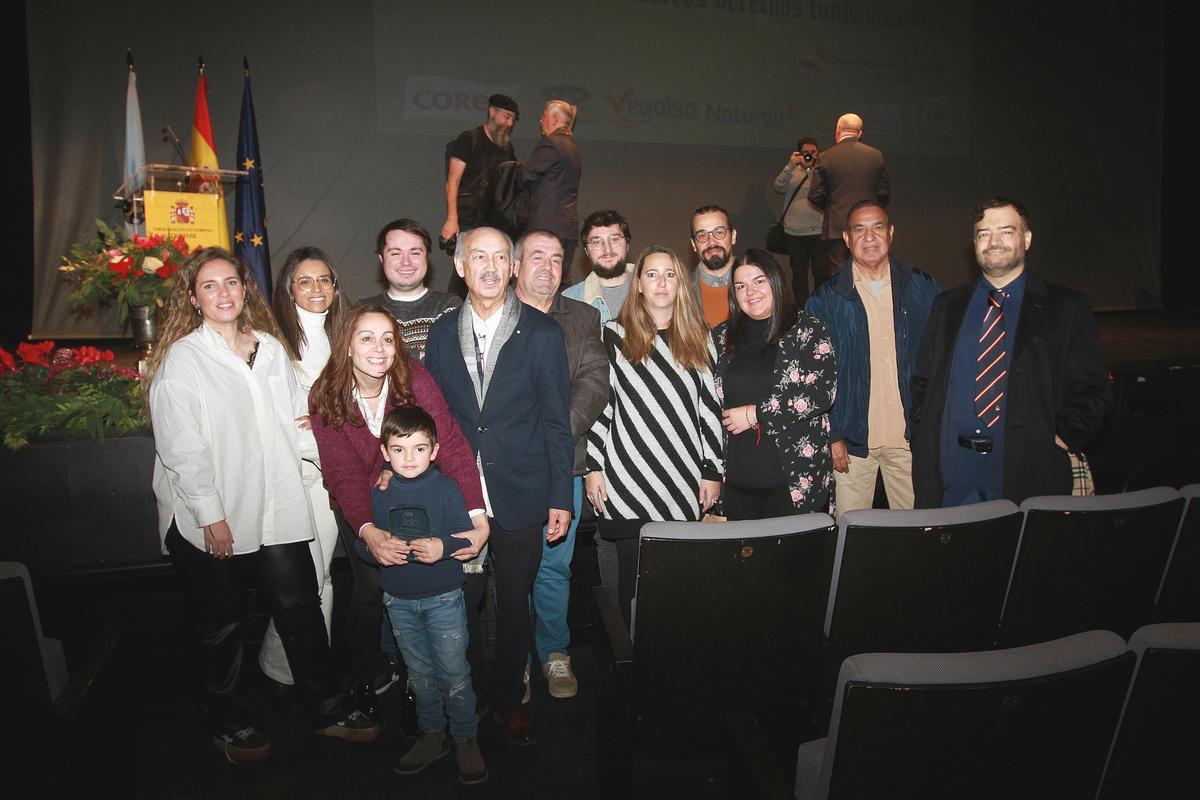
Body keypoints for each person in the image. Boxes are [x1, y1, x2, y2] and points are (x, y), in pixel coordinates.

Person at [147, 247, 377, 763]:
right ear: (193, 297)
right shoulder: (184, 360)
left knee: (302, 609)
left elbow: (300, 428)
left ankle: (328, 708)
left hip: (277, 506)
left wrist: (358, 466)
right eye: (210, 286)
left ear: (245, 290)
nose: (224, 293)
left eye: (231, 282)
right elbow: (181, 447)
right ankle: (227, 723)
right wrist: (211, 516)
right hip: (213, 517)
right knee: (220, 625)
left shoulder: (271, 350)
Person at [424, 226, 574, 746]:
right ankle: (464, 699)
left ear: (513, 268)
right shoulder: (441, 334)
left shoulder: (542, 333)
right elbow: (433, 418)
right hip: (459, 496)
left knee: (515, 605)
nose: (489, 266)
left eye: (499, 257)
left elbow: (558, 421)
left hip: (523, 493)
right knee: (462, 606)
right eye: (477, 256)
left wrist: (560, 497)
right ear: (460, 267)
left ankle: (510, 699)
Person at [309, 305, 488, 720]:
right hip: (361, 503)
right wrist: (368, 528)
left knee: (417, 576)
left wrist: (477, 516)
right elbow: (343, 473)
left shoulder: (414, 379)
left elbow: (454, 446)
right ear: (347, 347)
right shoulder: (326, 394)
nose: (378, 348)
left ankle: (416, 677)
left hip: (414, 493)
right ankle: (364, 679)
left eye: (387, 339)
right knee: (370, 586)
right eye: (366, 338)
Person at [910, 197, 1112, 507]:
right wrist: (926, 431)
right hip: (955, 468)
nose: (993, 242)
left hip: (1027, 468)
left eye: (1006, 231)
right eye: (983, 234)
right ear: (974, 243)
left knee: (1023, 554)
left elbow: (1093, 386)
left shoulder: (1066, 307)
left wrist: (1065, 436)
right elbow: (923, 378)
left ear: (1027, 239)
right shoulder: (947, 306)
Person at [585, 245, 724, 628]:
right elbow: (602, 406)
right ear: (639, 285)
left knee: (679, 580)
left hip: (682, 480)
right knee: (633, 583)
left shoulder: (701, 337)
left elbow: (710, 410)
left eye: (670, 274)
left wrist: (712, 469)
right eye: (652, 274)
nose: (661, 282)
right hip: (628, 479)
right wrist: (593, 467)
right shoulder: (613, 334)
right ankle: (635, 667)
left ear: (681, 283)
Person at [359, 405, 487, 785]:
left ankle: (465, 737)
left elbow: (468, 537)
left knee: (454, 673)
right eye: (399, 450)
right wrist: (377, 549)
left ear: (434, 451)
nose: (409, 458)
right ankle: (433, 735)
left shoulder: (447, 488)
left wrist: (444, 548)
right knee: (419, 675)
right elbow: (365, 542)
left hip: (443, 598)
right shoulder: (379, 492)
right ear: (385, 452)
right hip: (398, 602)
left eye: (418, 449)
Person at [512, 229, 609, 700]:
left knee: (555, 565)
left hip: (563, 464)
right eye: (537, 257)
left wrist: (547, 441)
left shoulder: (585, 317)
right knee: (507, 568)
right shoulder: (490, 315)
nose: (547, 267)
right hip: (503, 470)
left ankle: (553, 653)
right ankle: (514, 662)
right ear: (515, 265)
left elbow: (593, 384)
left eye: (555, 259)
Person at [805, 201, 938, 517]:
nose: (869, 236)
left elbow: (938, 362)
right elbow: (814, 374)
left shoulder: (922, 287)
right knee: (851, 537)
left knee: (917, 533)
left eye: (877, 226)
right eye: (859, 229)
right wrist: (832, 433)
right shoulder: (825, 299)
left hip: (909, 440)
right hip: (851, 445)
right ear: (847, 239)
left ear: (890, 232)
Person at [257, 247, 348, 695]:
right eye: (305, 280)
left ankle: (313, 668)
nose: (316, 289)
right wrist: (319, 429)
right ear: (288, 287)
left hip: (333, 476)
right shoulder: (271, 344)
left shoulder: (346, 337)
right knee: (305, 582)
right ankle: (284, 671)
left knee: (325, 577)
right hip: (294, 478)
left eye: (324, 280)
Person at [713, 249, 838, 519]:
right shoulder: (720, 337)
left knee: (797, 561)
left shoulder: (809, 330)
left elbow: (821, 394)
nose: (750, 292)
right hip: (736, 483)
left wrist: (755, 414)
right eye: (741, 286)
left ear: (776, 281)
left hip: (793, 483)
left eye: (759, 281)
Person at [360, 219, 462, 362]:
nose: (406, 262)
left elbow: (451, 363)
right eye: (395, 253)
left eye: (414, 253)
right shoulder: (363, 310)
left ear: (427, 257)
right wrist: (420, 356)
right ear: (381, 258)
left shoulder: (449, 307)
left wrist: (389, 357)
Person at [807, 113, 890, 277]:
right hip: (870, 227)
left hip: (837, 227)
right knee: (869, 272)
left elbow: (814, 195)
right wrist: (868, 209)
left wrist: (832, 207)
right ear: (859, 133)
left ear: (838, 130)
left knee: (840, 276)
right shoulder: (876, 156)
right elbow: (883, 193)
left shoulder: (826, 157)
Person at [441, 94, 519, 247]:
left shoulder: (507, 148)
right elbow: (452, 181)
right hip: (468, 218)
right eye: (507, 116)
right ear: (492, 111)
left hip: (494, 219)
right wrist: (452, 219)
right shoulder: (468, 138)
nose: (510, 123)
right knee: (466, 265)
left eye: (513, 120)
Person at [520, 100, 582, 284]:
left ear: (554, 118)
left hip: (547, 227)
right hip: (566, 226)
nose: (540, 120)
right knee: (560, 279)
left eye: (544, 116)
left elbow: (526, 174)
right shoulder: (573, 147)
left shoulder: (551, 143)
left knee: (540, 280)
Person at [773, 136, 827, 305]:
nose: (809, 156)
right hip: (794, 232)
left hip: (818, 230)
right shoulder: (792, 169)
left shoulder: (821, 170)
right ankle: (801, 310)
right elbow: (778, 186)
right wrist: (790, 165)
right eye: (806, 153)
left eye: (812, 152)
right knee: (799, 275)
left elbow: (822, 190)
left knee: (821, 273)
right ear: (799, 153)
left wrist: (811, 170)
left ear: (817, 152)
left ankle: (819, 308)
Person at [564, 208, 636, 325]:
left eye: (615, 239)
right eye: (597, 242)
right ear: (587, 251)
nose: (607, 249)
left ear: (627, 245)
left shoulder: (656, 289)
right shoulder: (568, 301)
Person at [689, 204, 738, 327]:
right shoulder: (681, 294)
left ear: (733, 236)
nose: (711, 242)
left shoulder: (763, 285)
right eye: (702, 235)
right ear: (693, 244)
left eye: (719, 232)